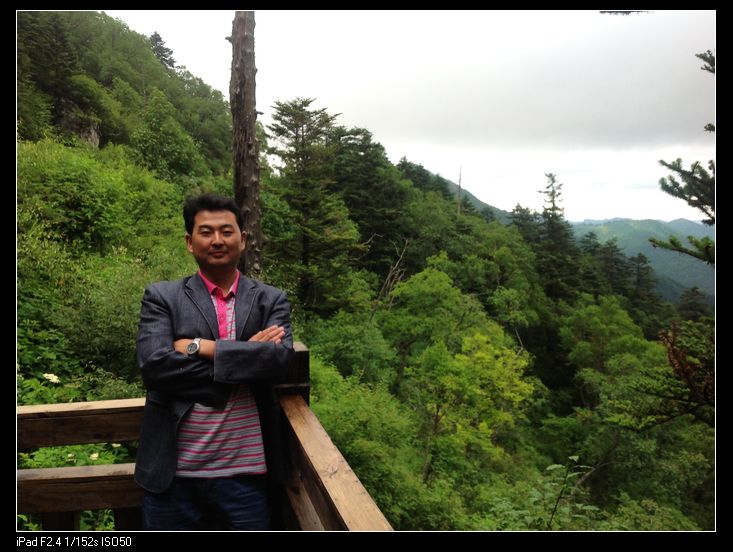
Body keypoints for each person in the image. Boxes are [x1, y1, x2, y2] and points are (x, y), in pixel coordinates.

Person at [135, 193, 294, 530]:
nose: (217, 240)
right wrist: (245, 357)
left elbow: (278, 362)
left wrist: (200, 347)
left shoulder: (270, 300)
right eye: (206, 232)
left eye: (226, 231)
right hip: (173, 477)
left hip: (246, 477)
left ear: (243, 239)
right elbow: (155, 367)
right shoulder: (162, 297)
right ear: (189, 242)